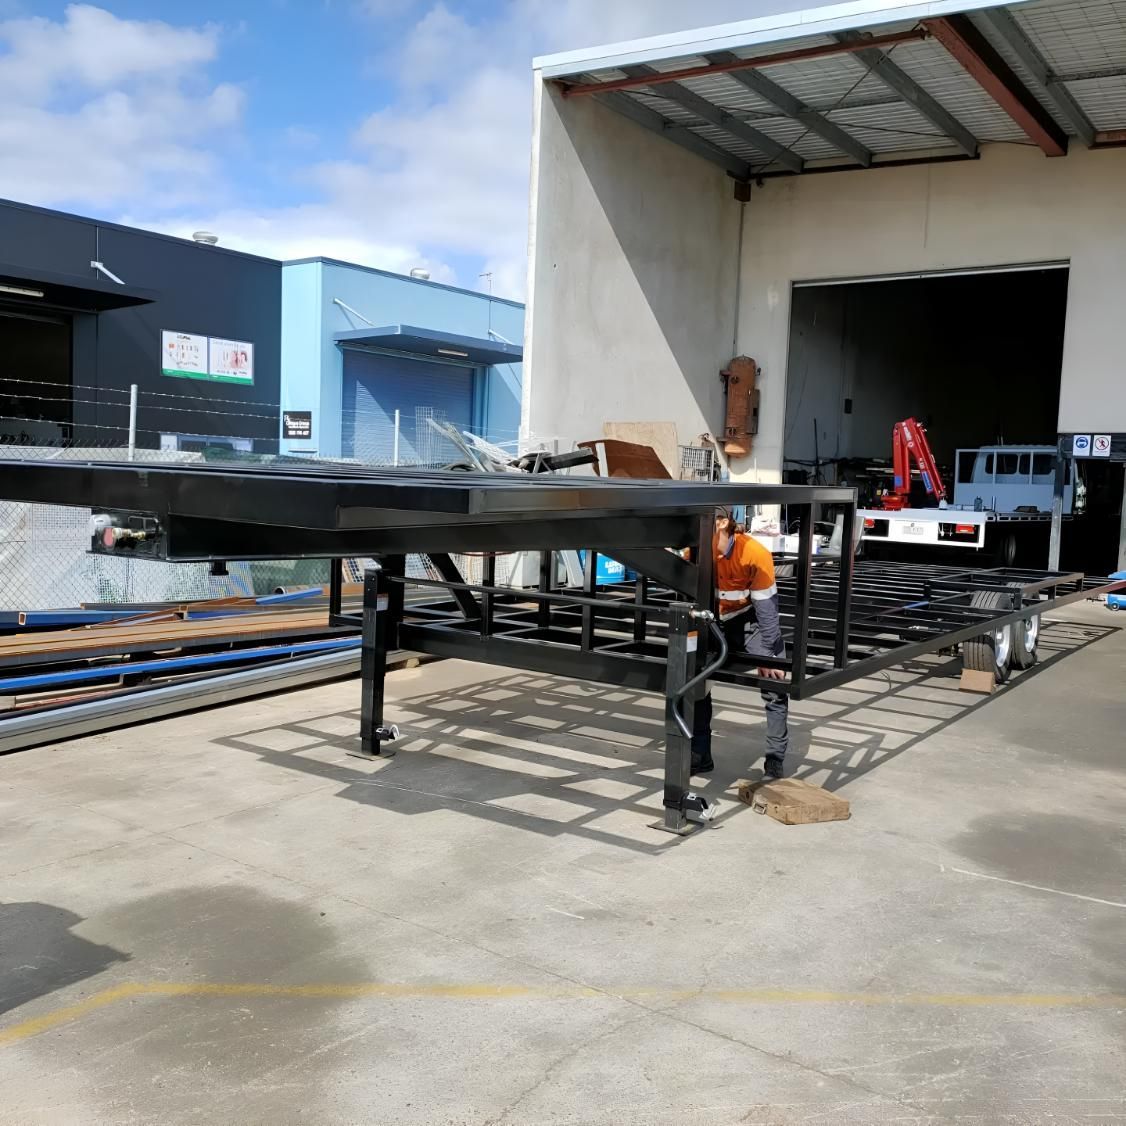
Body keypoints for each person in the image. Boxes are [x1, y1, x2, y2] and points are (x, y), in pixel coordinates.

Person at [691, 509, 789, 779]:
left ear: (722, 523)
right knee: (696, 682)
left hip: (749, 622)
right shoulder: (696, 551)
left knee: (775, 682)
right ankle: (700, 754)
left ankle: (774, 759)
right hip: (712, 622)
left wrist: (767, 655)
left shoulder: (754, 553)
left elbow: (767, 608)